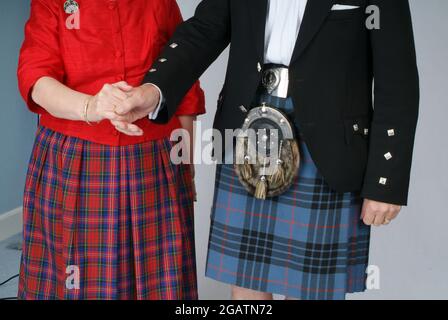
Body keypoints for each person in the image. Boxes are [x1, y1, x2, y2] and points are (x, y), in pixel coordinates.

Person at [112, 0, 419, 300]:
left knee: (314, 290)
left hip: (327, 139)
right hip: (250, 121)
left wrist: (385, 182)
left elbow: (398, 80)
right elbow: (205, 28)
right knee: (244, 280)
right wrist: (154, 90)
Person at [17, 0, 205, 300]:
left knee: (159, 282)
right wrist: (92, 106)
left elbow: (184, 82)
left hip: (153, 161)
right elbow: (36, 79)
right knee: (75, 281)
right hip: (75, 160)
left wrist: (187, 164)